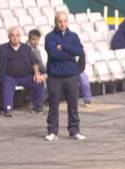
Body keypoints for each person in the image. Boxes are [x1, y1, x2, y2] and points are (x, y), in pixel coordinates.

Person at [44, 11, 86, 141]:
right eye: (60, 21)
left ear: (67, 22)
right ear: (55, 22)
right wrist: (69, 53)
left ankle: (74, 131)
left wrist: (63, 47)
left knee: (73, 104)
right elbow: (53, 54)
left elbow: (79, 51)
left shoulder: (73, 36)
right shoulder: (49, 37)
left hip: (71, 75)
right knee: (53, 104)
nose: (62, 24)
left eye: (64, 21)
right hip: (54, 76)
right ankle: (52, 131)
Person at [0, 27, 45, 117]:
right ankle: (8, 109)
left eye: (17, 36)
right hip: (9, 76)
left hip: (25, 76)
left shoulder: (26, 48)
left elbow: (34, 62)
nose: (15, 38)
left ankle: (38, 107)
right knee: (7, 83)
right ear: (9, 37)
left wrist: (37, 73)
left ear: (20, 37)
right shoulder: (2, 48)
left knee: (38, 81)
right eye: (12, 36)